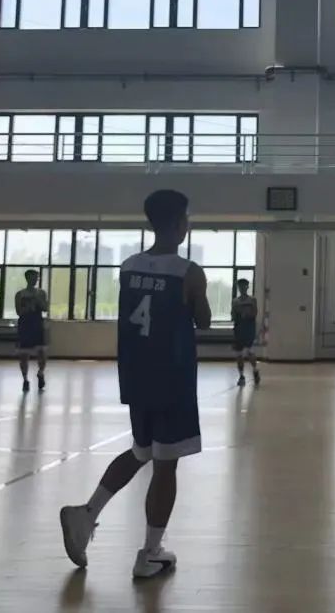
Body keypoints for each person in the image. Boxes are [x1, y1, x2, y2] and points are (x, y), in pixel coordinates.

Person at [60, 189, 212, 578]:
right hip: (172, 377)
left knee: (141, 451)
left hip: (137, 375)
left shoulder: (129, 267)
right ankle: (150, 552)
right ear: (179, 224)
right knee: (166, 465)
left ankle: (86, 513)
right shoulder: (189, 272)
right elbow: (205, 320)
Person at [15, 269, 49, 393]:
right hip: (25, 325)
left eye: (37, 278)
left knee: (42, 352)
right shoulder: (20, 294)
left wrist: (38, 300)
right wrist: (27, 307)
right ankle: (25, 379)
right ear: (27, 278)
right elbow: (18, 312)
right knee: (24, 354)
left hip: (37, 324)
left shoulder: (41, 293)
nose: (35, 280)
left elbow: (45, 308)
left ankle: (40, 373)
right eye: (33, 278)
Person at [231, 278, 260, 387]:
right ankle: (241, 376)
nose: (242, 288)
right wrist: (236, 315)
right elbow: (233, 315)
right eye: (240, 286)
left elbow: (254, 313)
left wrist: (246, 314)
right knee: (239, 355)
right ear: (238, 288)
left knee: (249, 352)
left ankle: (255, 370)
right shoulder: (235, 301)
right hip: (239, 330)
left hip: (249, 330)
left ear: (247, 287)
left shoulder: (252, 300)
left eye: (244, 286)